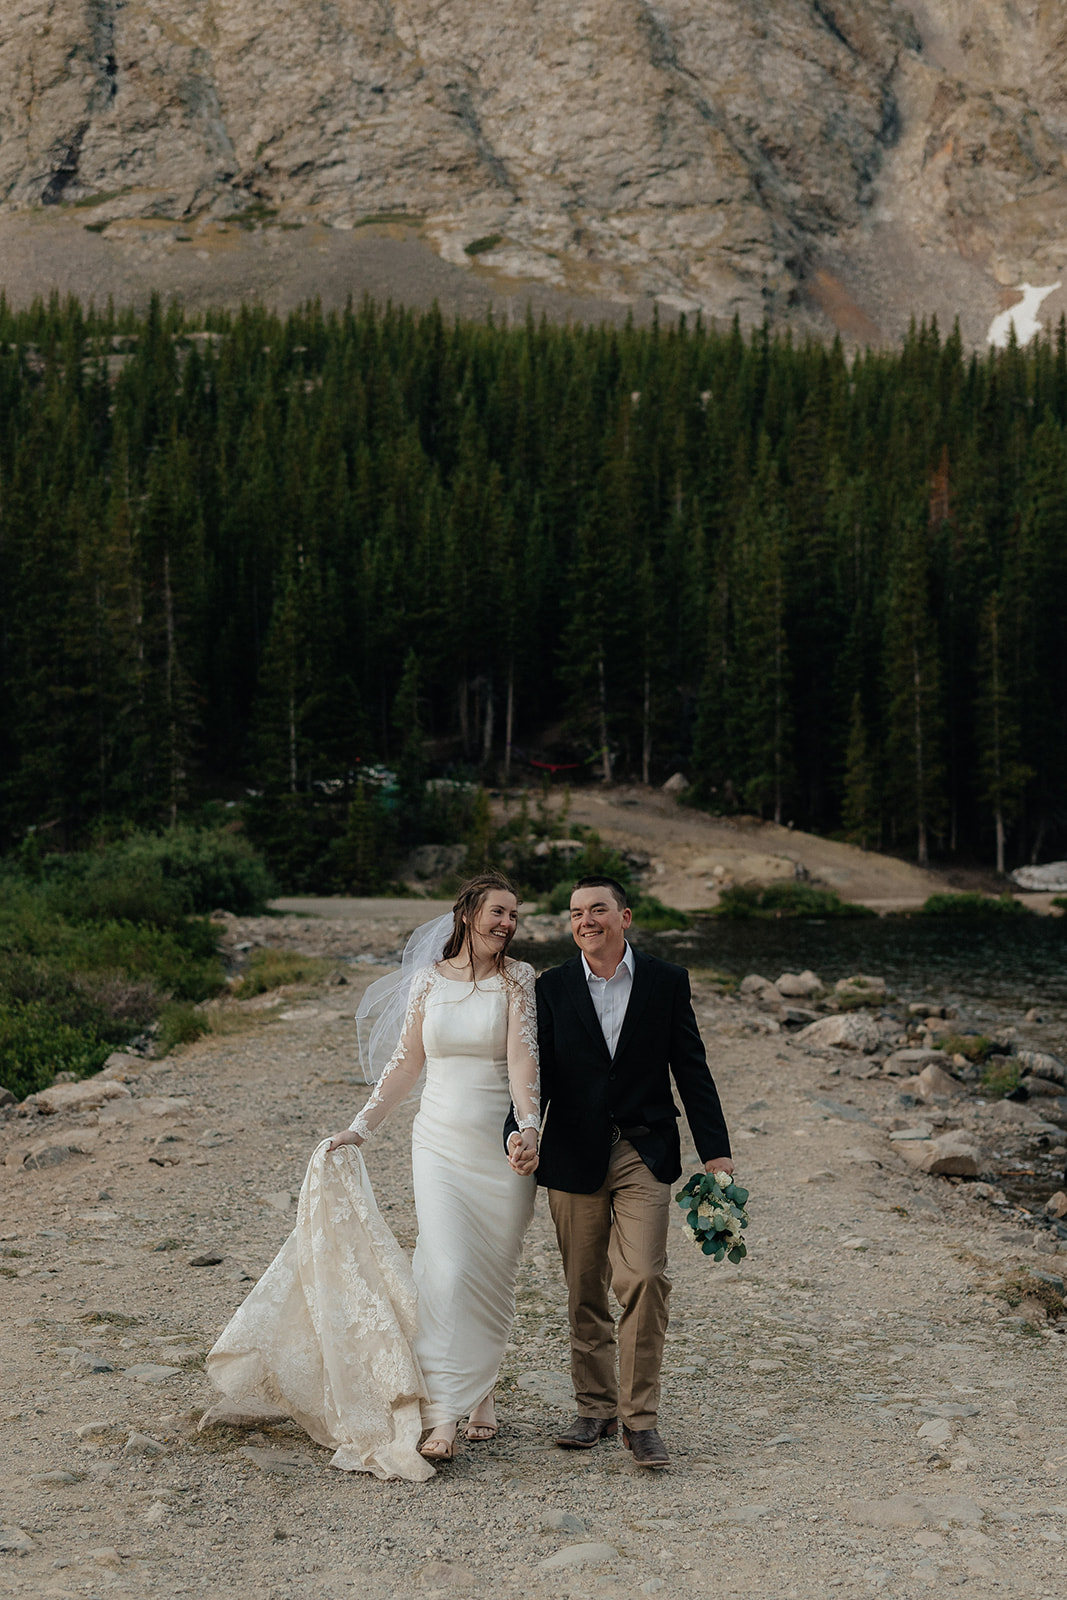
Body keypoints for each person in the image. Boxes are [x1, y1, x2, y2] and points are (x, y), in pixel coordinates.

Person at [205, 873, 540, 1479]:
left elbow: (522, 1061)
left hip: (500, 1147)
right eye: (497, 912)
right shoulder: (427, 982)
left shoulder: (520, 980)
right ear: (466, 914)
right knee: (447, 1267)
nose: (507, 924)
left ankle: (479, 1388)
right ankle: (441, 1414)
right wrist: (360, 1127)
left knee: (493, 1273)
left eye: (514, 915)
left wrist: (530, 1127)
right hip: (437, 1144)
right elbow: (405, 1062)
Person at [506, 874, 732, 1470]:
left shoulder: (665, 981)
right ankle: (595, 1408)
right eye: (576, 912)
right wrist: (520, 1128)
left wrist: (717, 1150)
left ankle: (641, 1422)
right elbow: (535, 1074)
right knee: (584, 1288)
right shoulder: (549, 989)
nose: (586, 920)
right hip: (571, 1154)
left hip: (644, 1150)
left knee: (643, 1279)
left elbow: (692, 1068)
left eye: (598, 909)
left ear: (624, 917)